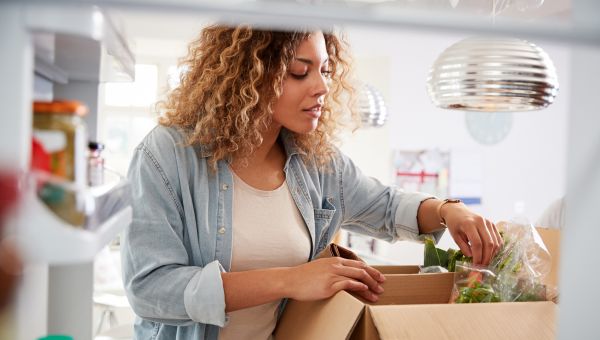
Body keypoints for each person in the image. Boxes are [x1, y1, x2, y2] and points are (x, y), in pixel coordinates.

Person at [121, 25, 502, 340]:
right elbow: (150, 290)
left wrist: (450, 211)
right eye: (300, 71)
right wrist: (290, 280)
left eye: (325, 71)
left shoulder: (318, 164)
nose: (321, 87)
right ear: (247, 75)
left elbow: (386, 206)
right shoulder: (168, 153)